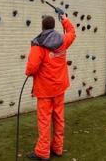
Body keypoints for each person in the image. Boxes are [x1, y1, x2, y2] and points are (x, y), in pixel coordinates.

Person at [25, 13, 76, 160]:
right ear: (53, 26)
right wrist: (65, 19)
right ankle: (57, 148)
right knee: (59, 118)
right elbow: (72, 32)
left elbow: (31, 69)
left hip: (45, 91)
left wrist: (29, 72)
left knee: (44, 121)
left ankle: (42, 152)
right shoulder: (63, 40)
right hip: (59, 88)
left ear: (42, 26)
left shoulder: (38, 46)